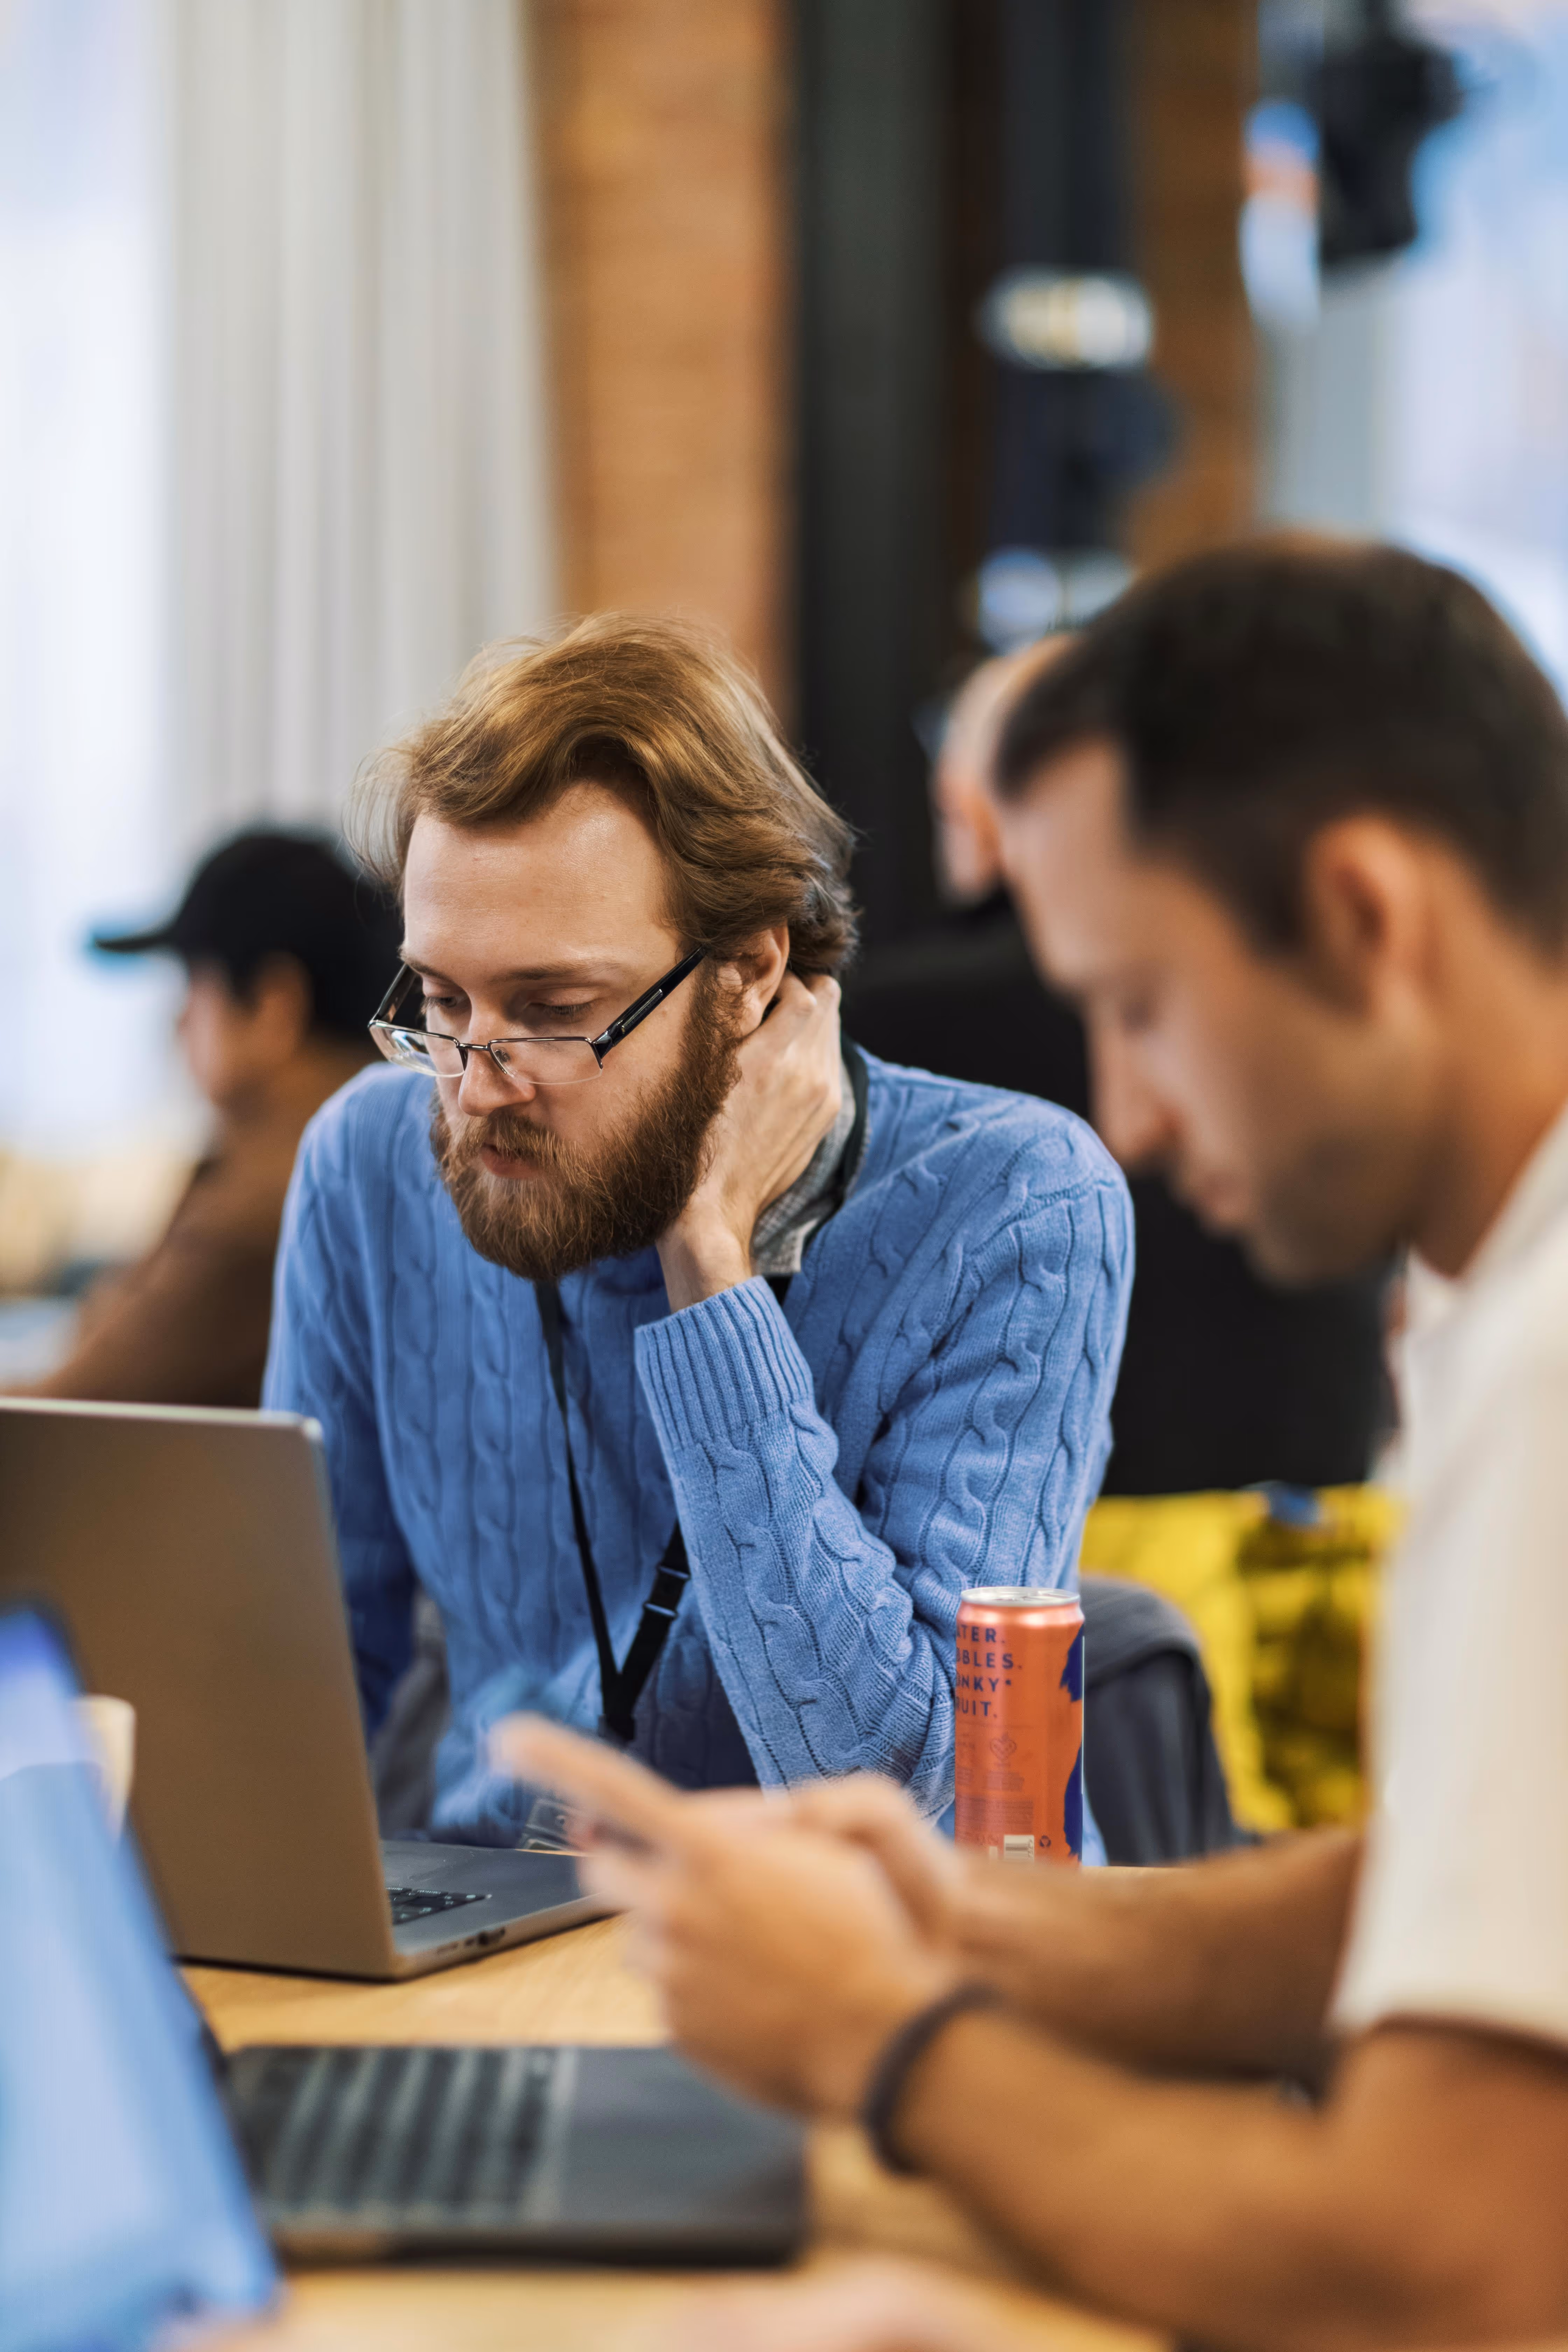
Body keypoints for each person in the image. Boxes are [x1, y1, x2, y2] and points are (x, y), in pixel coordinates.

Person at [502, 544, 1568, 2350]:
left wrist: (890, 2042)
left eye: (1144, 1006)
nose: (1129, 1113)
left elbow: (1447, 2271)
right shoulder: (1502, 1292)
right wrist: (978, 1932)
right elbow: (1461, 1893)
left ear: (1371, 919)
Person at [262, 615, 1132, 1842]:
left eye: (554, 1010)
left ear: (749, 980)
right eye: (445, 1001)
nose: (475, 1082)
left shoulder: (1016, 1205)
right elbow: (291, 1690)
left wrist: (715, 1272)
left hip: (860, 1985)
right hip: (507, 1950)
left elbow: (927, 1812)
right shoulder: (368, 1164)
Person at [849, 645, 1390, 1497]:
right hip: (1321, 1532)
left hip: (1064, 1560)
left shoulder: (878, 1028)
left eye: (1137, 1008)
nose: (1130, 1123)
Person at [15, 830, 397, 1409]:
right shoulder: (357, 1144)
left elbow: (51, 1417)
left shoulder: (274, 1200)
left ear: (273, 1005)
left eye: (196, 985)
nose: (178, 1021)